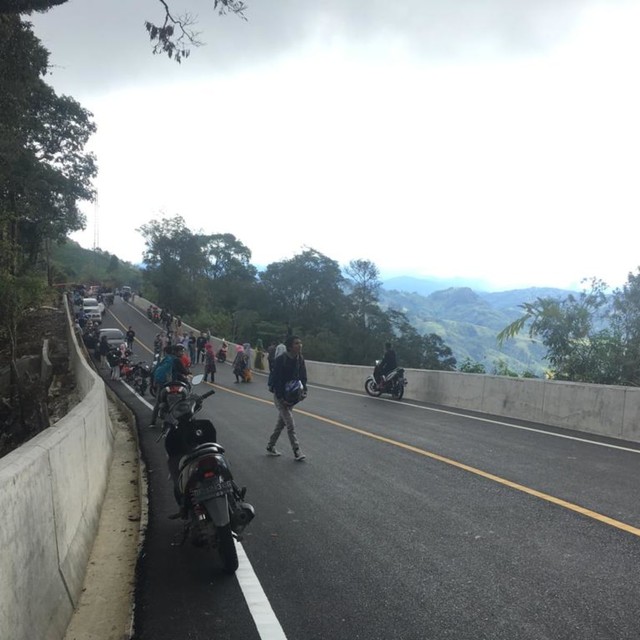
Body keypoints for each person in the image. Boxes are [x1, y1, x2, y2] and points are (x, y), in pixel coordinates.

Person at [266, 335, 308, 461]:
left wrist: (304, 390)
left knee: (281, 424)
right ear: (290, 346)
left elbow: (303, 376)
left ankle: (270, 446)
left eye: (300, 342)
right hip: (281, 397)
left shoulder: (300, 359)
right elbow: (277, 379)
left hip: (292, 396)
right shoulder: (280, 360)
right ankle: (297, 451)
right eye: (296, 343)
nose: (299, 345)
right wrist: (280, 397)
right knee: (290, 424)